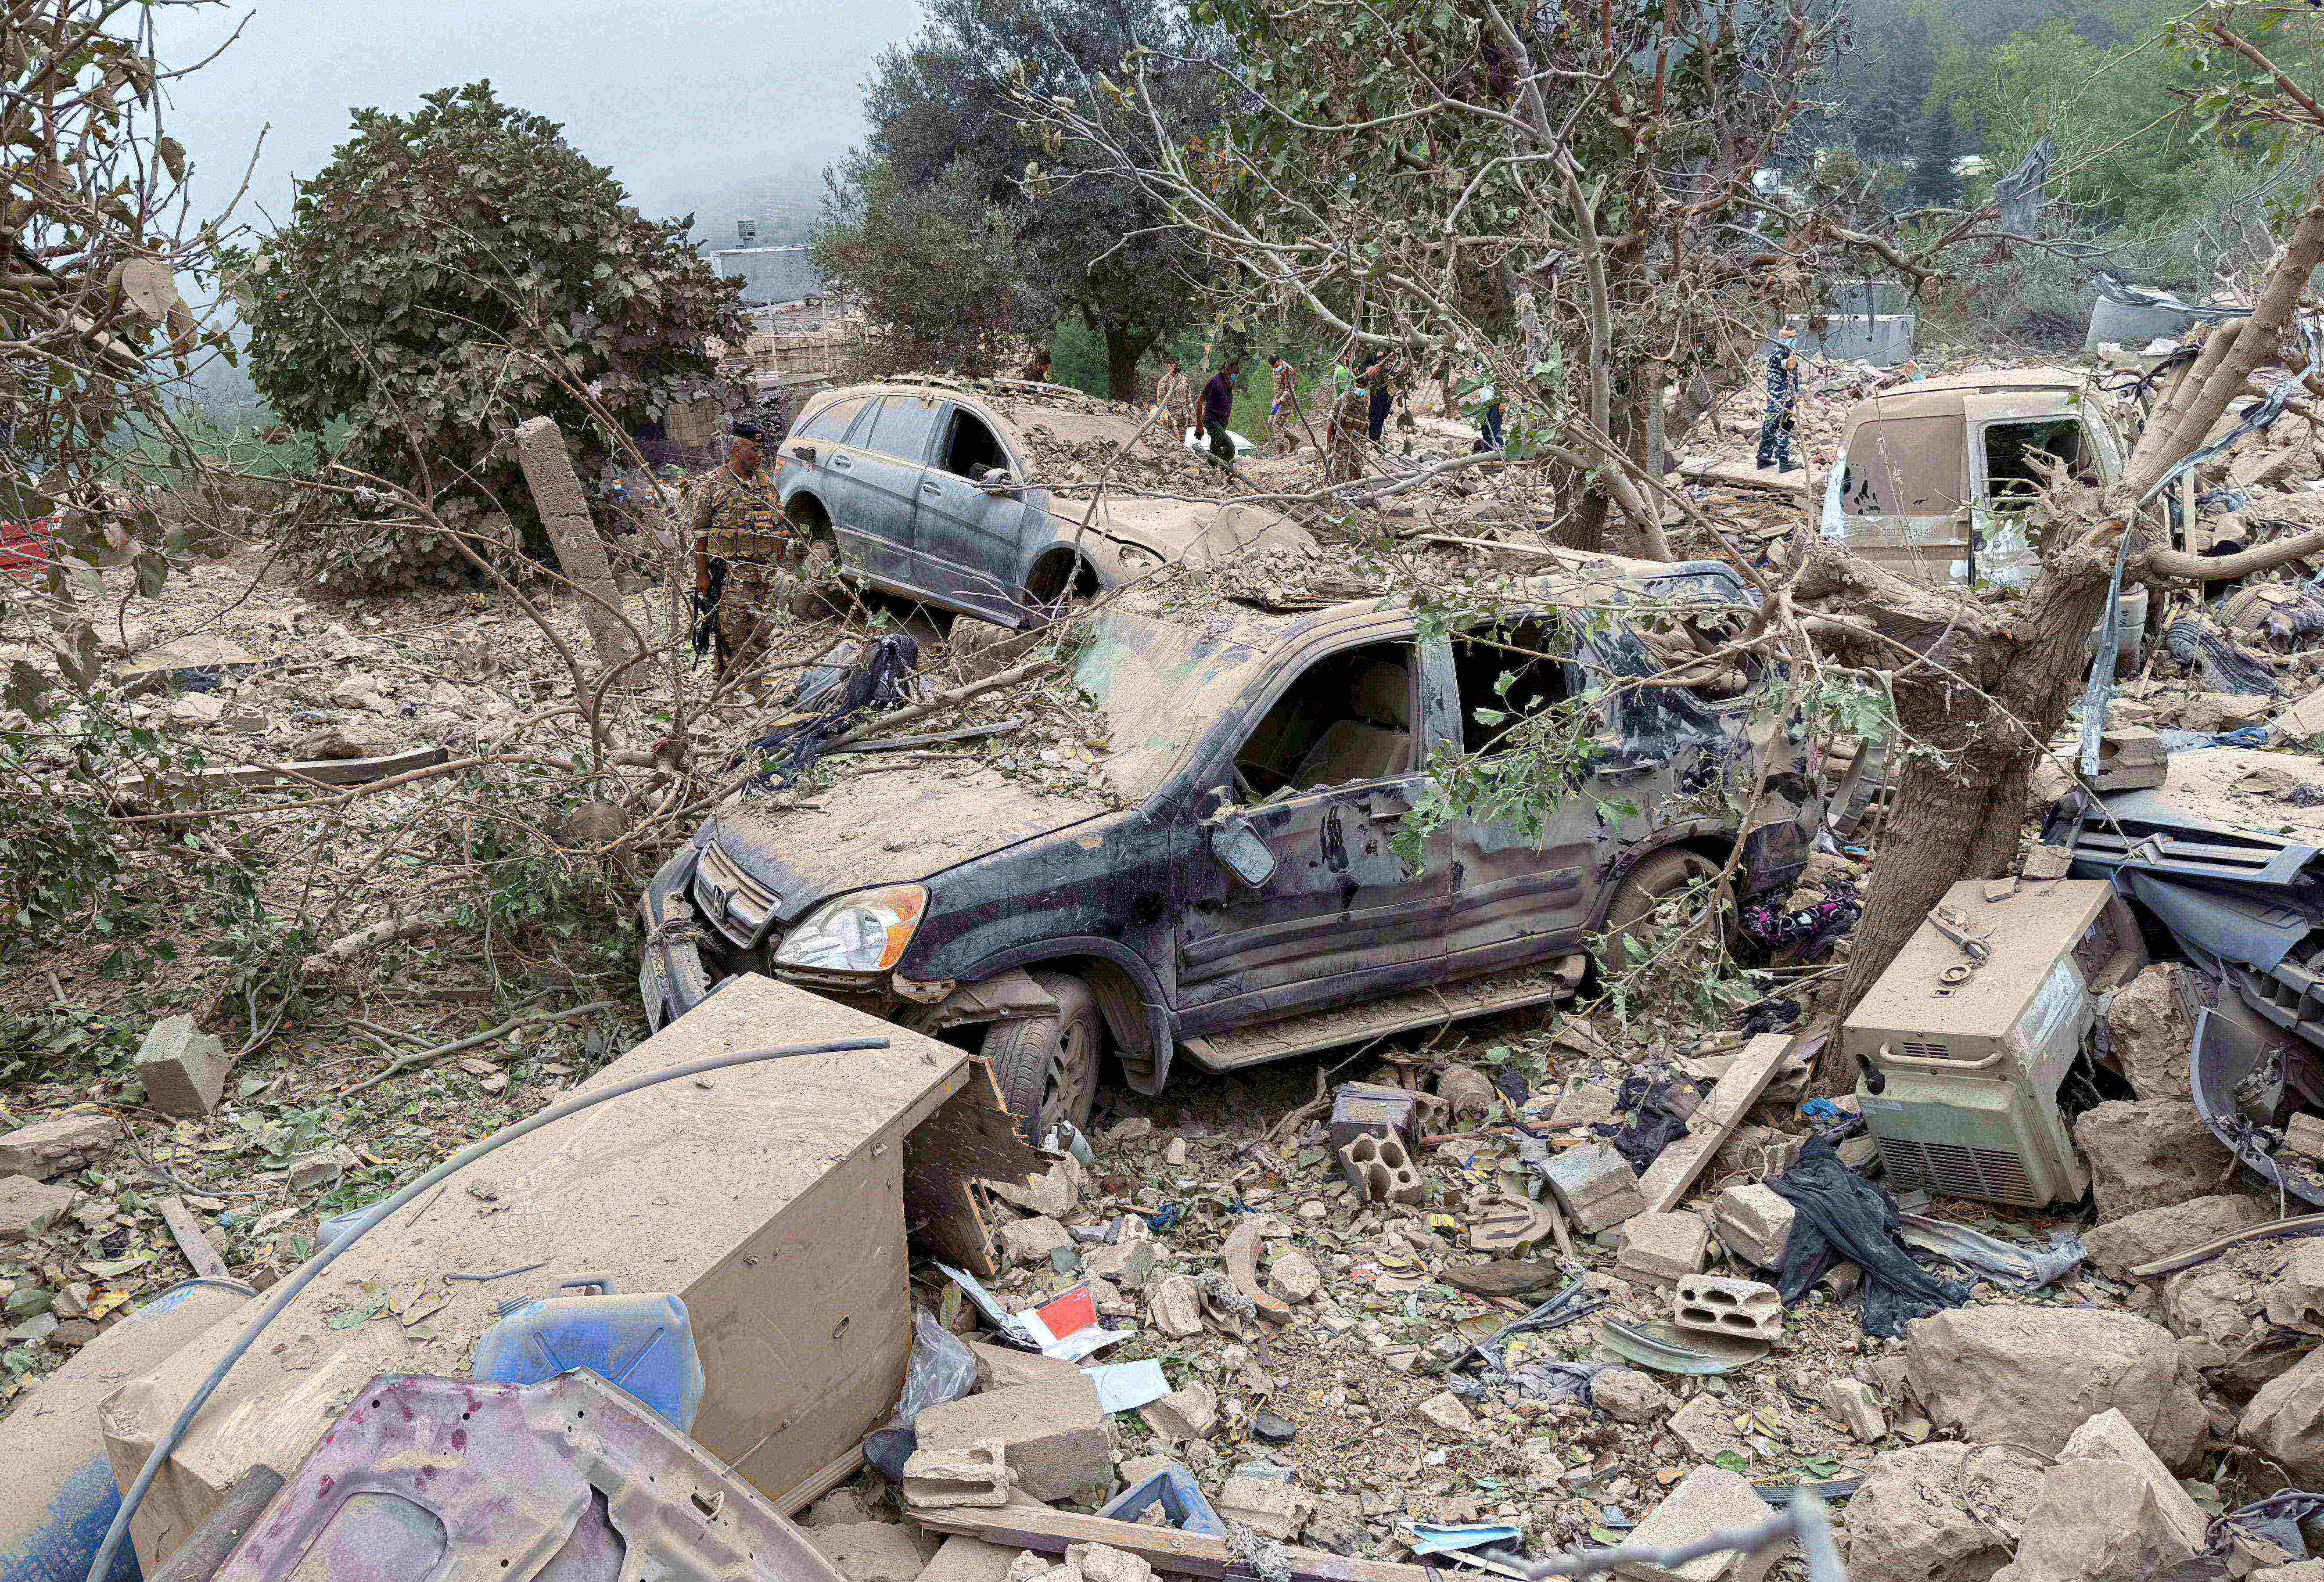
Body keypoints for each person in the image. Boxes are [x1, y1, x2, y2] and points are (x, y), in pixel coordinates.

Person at [691, 420, 794, 685]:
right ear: (738, 450)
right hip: (732, 576)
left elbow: (779, 522)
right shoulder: (712, 485)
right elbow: (700, 536)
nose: (761, 456)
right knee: (730, 633)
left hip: (766, 574)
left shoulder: (766, 485)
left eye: (762, 450)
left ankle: (753, 685)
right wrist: (702, 578)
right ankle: (725, 687)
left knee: (761, 631)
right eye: (755, 450)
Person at [1757, 325, 1802, 472]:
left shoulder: (1781, 352)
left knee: (1770, 427)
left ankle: (1763, 459)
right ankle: (1784, 462)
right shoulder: (1781, 353)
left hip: (1777, 397)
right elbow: (1790, 366)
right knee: (1783, 426)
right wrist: (1791, 351)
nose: (1795, 340)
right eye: (1792, 338)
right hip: (1781, 398)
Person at [1201, 356, 1239, 468]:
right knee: (1229, 446)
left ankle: (1211, 471)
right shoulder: (1215, 381)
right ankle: (1225, 470)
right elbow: (1200, 401)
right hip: (1211, 420)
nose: (1235, 377)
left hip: (1221, 423)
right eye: (1234, 374)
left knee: (1216, 448)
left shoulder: (1230, 384)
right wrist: (1199, 423)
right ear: (1227, 371)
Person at [1362, 348, 1397, 446]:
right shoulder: (1375, 355)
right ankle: (1373, 439)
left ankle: (1377, 439)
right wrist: (1381, 365)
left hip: (1388, 393)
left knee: (1383, 415)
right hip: (1377, 391)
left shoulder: (1393, 357)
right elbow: (1370, 372)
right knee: (1375, 415)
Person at [1268, 355, 1299, 453]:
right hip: (1277, 400)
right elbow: (1278, 386)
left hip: (1287, 401)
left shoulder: (1288, 370)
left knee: (1277, 424)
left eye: (1277, 366)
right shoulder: (1276, 369)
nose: (1276, 368)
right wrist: (1276, 402)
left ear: (1280, 361)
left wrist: (1281, 400)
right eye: (1274, 367)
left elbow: (1292, 388)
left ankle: (1281, 451)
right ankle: (1292, 438)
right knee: (1271, 421)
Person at [1153, 356, 1190, 435]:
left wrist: (1192, 415)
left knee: (1181, 443)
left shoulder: (1184, 379)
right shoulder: (1164, 381)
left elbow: (1188, 398)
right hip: (1172, 418)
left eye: (1180, 365)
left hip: (1184, 418)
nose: (1179, 367)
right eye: (1176, 365)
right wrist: (1167, 418)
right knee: (1172, 441)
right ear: (1170, 366)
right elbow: (1161, 403)